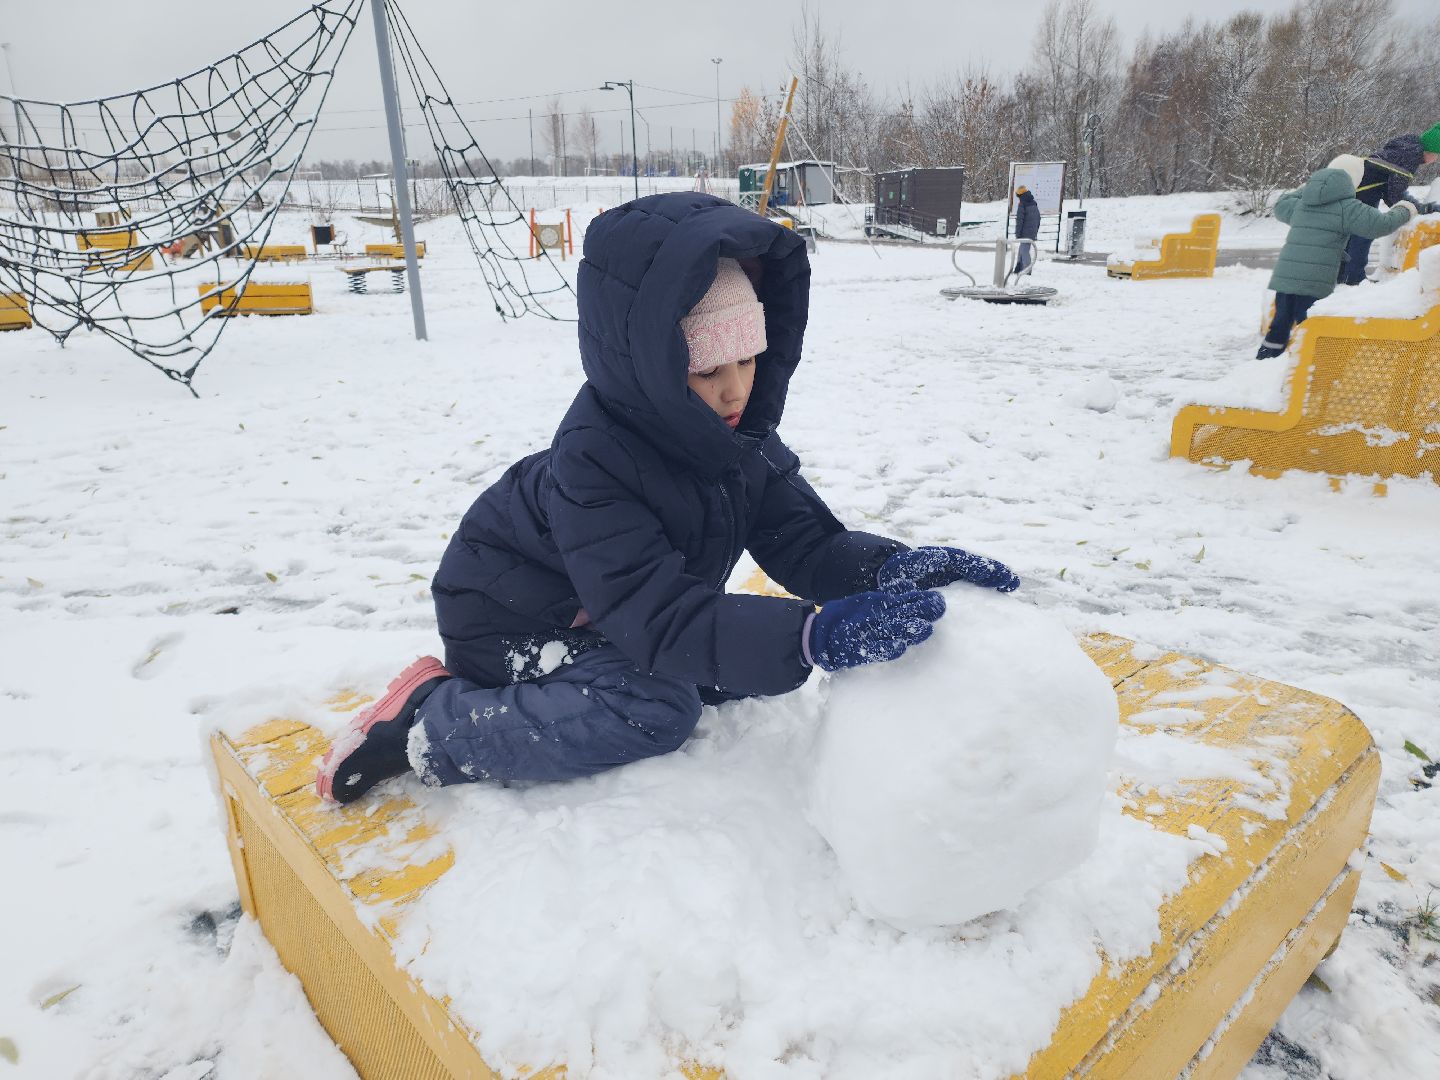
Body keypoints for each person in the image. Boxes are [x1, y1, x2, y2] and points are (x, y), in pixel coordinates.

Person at [316, 192, 1021, 804]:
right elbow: (658, 618)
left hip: (606, 613)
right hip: (510, 619)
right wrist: (811, 635)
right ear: (649, 367)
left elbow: (804, 541)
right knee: (655, 709)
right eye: (708, 368)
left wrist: (890, 569)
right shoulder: (596, 463)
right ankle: (427, 724)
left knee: (731, 666)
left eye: (749, 359)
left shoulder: (737, 440)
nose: (736, 388)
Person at [1257, 155, 1416, 359]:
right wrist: (1405, 209)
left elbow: (1281, 205)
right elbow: (1381, 224)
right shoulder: (1347, 208)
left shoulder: (1303, 203)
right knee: (1310, 326)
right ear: (1354, 181)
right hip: (1315, 281)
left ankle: (1265, 360)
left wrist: (1313, 187)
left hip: (1285, 279)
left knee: (1279, 325)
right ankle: (1304, 367)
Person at [1337, 123, 1440, 286]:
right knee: (1364, 233)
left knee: (1351, 235)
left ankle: (1342, 276)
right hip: (1364, 193)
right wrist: (1421, 208)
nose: (1435, 160)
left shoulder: (1404, 148)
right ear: (1431, 150)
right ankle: (1354, 278)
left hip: (1357, 191)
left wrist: (1411, 206)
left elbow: (1389, 191)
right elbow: (1397, 194)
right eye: (1437, 155)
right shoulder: (1410, 156)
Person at [1014, 185, 1040, 275]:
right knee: (1022, 249)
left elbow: (1020, 220)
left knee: (1024, 251)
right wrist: (1036, 229)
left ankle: (1027, 270)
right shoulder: (1033, 203)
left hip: (1025, 232)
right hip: (1032, 231)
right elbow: (1038, 217)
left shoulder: (1022, 204)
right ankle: (1019, 267)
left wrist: (1018, 233)